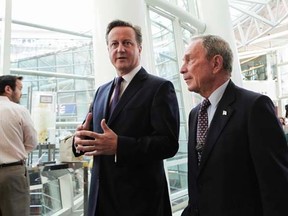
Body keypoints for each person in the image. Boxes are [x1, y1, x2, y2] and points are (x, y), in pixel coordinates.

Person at [73, 19, 179, 216]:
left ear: (139, 48)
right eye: (114, 44)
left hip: (139, 203)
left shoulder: (159, 88)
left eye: (127, 43)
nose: (120, 49)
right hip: (100, 201)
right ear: (108, 49)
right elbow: (91, 134)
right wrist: (78, 140)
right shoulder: (101, 91)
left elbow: (168, 144)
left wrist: (119, 146)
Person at [180, 34, 288, 216]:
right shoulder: (195, 114)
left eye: (189, 60)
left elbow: (276, 184)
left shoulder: (254, 107)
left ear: (216, 64)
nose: (182, 69)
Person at [0, 75, 38, 216]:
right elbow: (32, 142)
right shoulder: (18, 110)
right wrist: (16, 150)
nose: (21, 93)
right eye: (20, 89)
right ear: (8, 89)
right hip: (12, 173)